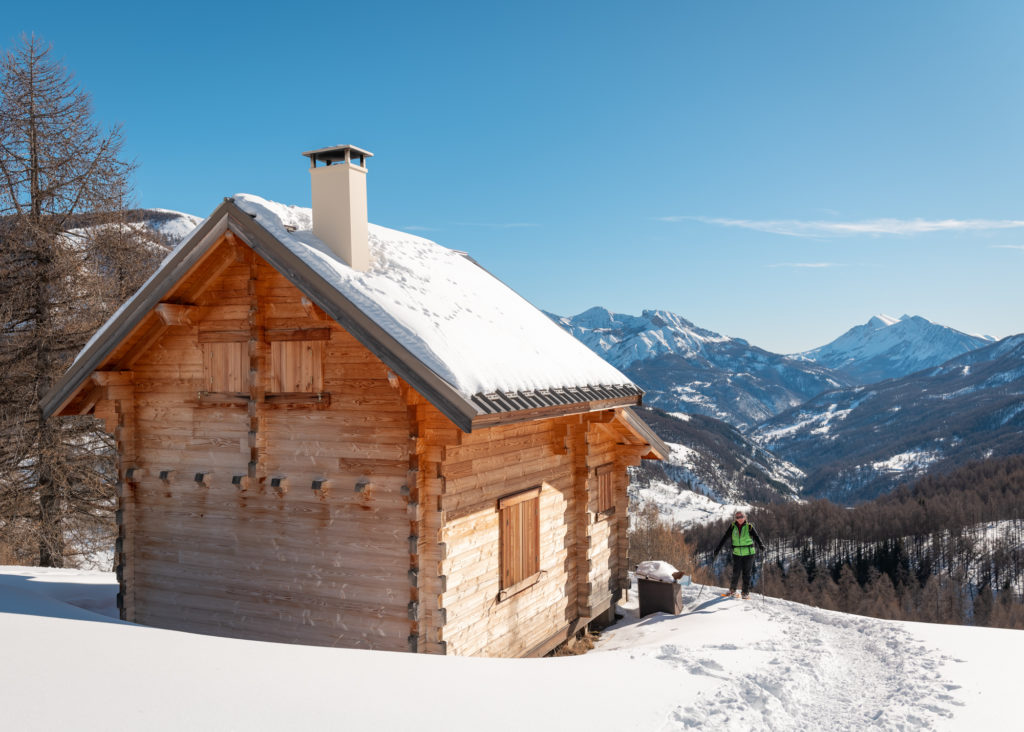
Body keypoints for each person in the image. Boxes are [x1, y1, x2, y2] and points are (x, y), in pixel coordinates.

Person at [714, 510, 766, 599]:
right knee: (736, 572)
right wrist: (718, 548)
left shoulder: (749, 527)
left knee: (747, 573)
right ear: (735, 519)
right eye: (737, 517)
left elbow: (756, 537)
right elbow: (725, 537)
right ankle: (732, 590)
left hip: (749, 553)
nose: (740, 518)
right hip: (737, 553)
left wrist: (761, 545)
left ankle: (745, 593)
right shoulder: (732, 527)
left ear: (745, 517)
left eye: (741, 516)